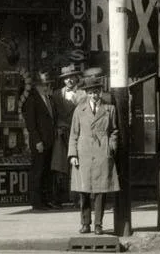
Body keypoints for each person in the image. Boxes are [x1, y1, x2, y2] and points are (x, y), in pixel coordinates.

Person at [67, 69, 119, 236]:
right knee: (84, 190)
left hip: (102, 152)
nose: (94, 95)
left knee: (100, 191)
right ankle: (85, 223)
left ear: (100, 92)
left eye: (96, 92)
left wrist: (111, 146)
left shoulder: (109, 109)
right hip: (84, 153)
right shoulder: (79, 110)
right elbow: (74, 133)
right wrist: (73, 154)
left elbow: (114, 131)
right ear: (86, 93)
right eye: (91, 93)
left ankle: (98, 224)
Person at [20, 71, 58, 210]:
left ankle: (45, 200)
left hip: (49, 140)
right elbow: (31, 123)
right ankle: (36, 201)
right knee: (38, 171)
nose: (46, 86)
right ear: (37, 85)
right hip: (40, 142)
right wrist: (37, 141)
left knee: (46, 171)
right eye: (44, 84)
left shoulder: (48, 98)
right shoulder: (32, 100)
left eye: (47, 84)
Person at [50, 64, 79, 208]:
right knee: (59, 167)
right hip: (61, 134)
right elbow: (52, 115)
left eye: (72, 77)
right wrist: (57, 128)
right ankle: (59, 199)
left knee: (77, 166)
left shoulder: (83, 94)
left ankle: (77, 199)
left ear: (76, 78)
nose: (69, 80)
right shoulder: (56, 95)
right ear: (63, 80)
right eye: (66, 78)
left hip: (77, 134)